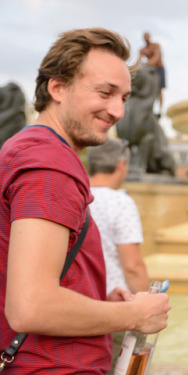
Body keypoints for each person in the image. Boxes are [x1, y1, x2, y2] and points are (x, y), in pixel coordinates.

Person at [0, 28, 170, 374]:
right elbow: (30, 306)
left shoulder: (29, 149)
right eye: (106, 93)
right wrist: (133, 315)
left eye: (124, 97)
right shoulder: (49, 163)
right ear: (57, 86)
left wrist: (96, 302)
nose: (118, 111)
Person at [87, 138, 150, 374]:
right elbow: (132, 265)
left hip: (80, 307)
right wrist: (146, 304)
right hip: (117, 312)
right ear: (121, 165)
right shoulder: (120, 202)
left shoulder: (76, 196)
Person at [139, 32, 166, 111]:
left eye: (147, 36)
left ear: (149, 37)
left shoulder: (156, 46)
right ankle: (151, 109)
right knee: (151, 90)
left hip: (159, 69)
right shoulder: (142, 50)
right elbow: (139, 61)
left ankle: (160, 110)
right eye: (145, 37)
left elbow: (157, 57)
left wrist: (146, 64)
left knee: (159, 90)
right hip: (151, 71)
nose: (146, 38)